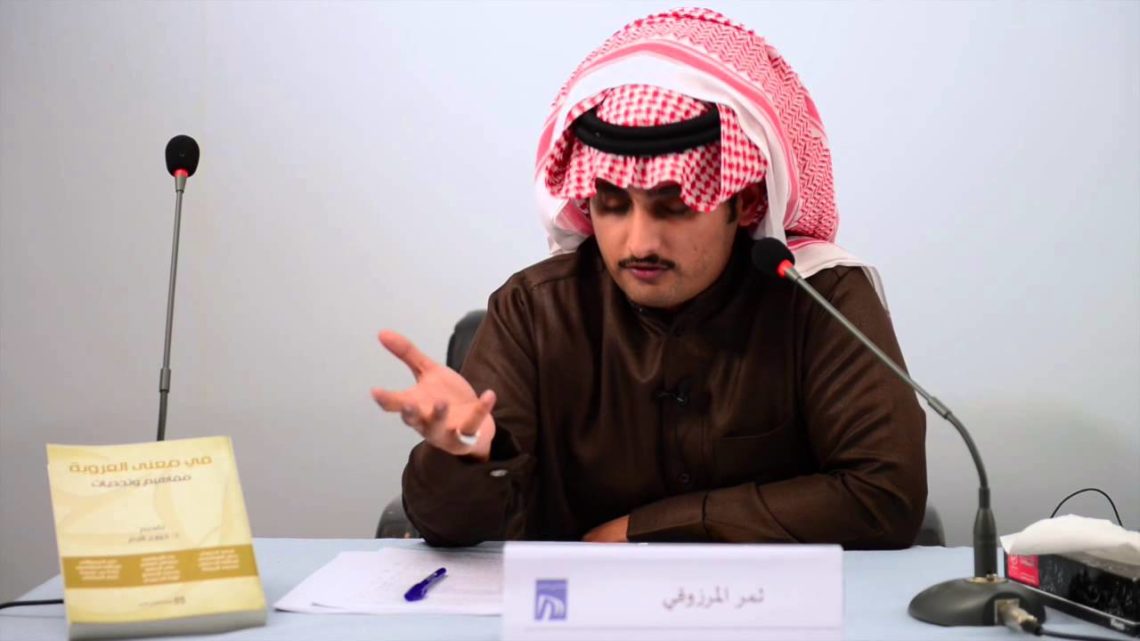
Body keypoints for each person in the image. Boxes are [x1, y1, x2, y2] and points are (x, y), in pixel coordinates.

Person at [371, 8, 926, 548]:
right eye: (613, 205)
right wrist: (468, 455)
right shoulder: (536, 310)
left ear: (745, 201)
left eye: (673, 207)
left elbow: (885, 496)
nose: (639, 243)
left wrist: (649, 529)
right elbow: (449, 528)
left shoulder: (817, 297)